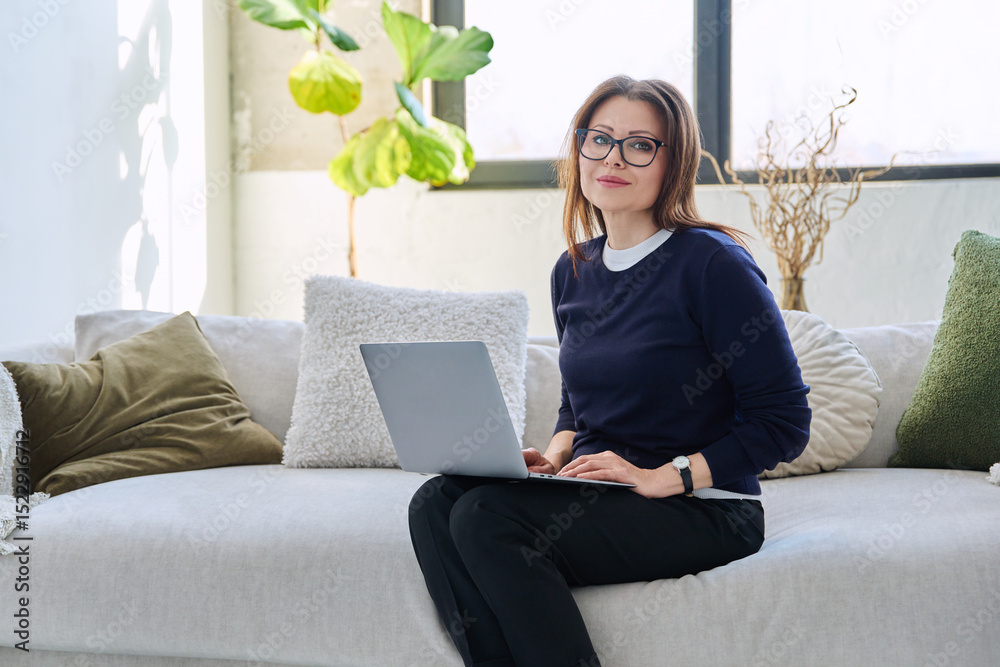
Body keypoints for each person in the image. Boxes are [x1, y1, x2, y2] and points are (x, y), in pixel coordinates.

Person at [407, 75, 812, 667]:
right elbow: (578, 401)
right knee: (437, 502)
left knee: (487, 518)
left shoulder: (712, 265)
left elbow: (784, 422)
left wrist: (660, 476)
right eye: (599, 139)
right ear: (578, 150)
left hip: (704, 505)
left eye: (640, 144)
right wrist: (554, 456)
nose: (613, 158)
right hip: (598, 490)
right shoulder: (571, 271)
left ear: (674, 163)